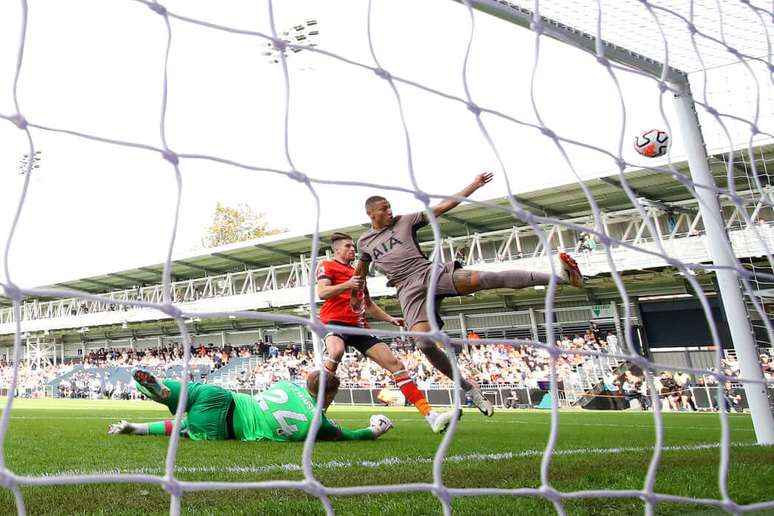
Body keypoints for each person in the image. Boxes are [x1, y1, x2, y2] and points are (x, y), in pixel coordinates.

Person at [352, 172, 585, 417]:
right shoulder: (364, 242)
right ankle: (468, 388)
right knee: (424, 343)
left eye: (390, 207)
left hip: (431, 274)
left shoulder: (406, 221)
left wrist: (473, 185)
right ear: (371, 213)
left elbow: (444, 205)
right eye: (385, 208)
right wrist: (357, 293)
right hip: (407, 289)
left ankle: (561, 278)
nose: (390, 211)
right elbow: (361, 270)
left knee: (486, 279)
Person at [317, 232, 456, 434]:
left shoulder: (358, 272)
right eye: (347, 246)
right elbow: (322, 293)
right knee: (336, 352)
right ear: (336, 250)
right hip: (333, 322)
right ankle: (318, 411)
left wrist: (390, 319)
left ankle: (431, 416)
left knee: (396, 365)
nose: (352, 249)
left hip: (358, 327)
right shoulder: (327, 266)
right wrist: (348, 285)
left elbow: (368, 304)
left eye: (353, 246)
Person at [108, 369, 393, 442]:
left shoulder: (285, 385)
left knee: (187, 393)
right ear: (329, 397)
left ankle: (162, 393)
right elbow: (352, 436)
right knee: (187, 428)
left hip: (221, 397)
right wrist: (375, 429)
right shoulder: (321, 424)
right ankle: (139, 426)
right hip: (225, 429)